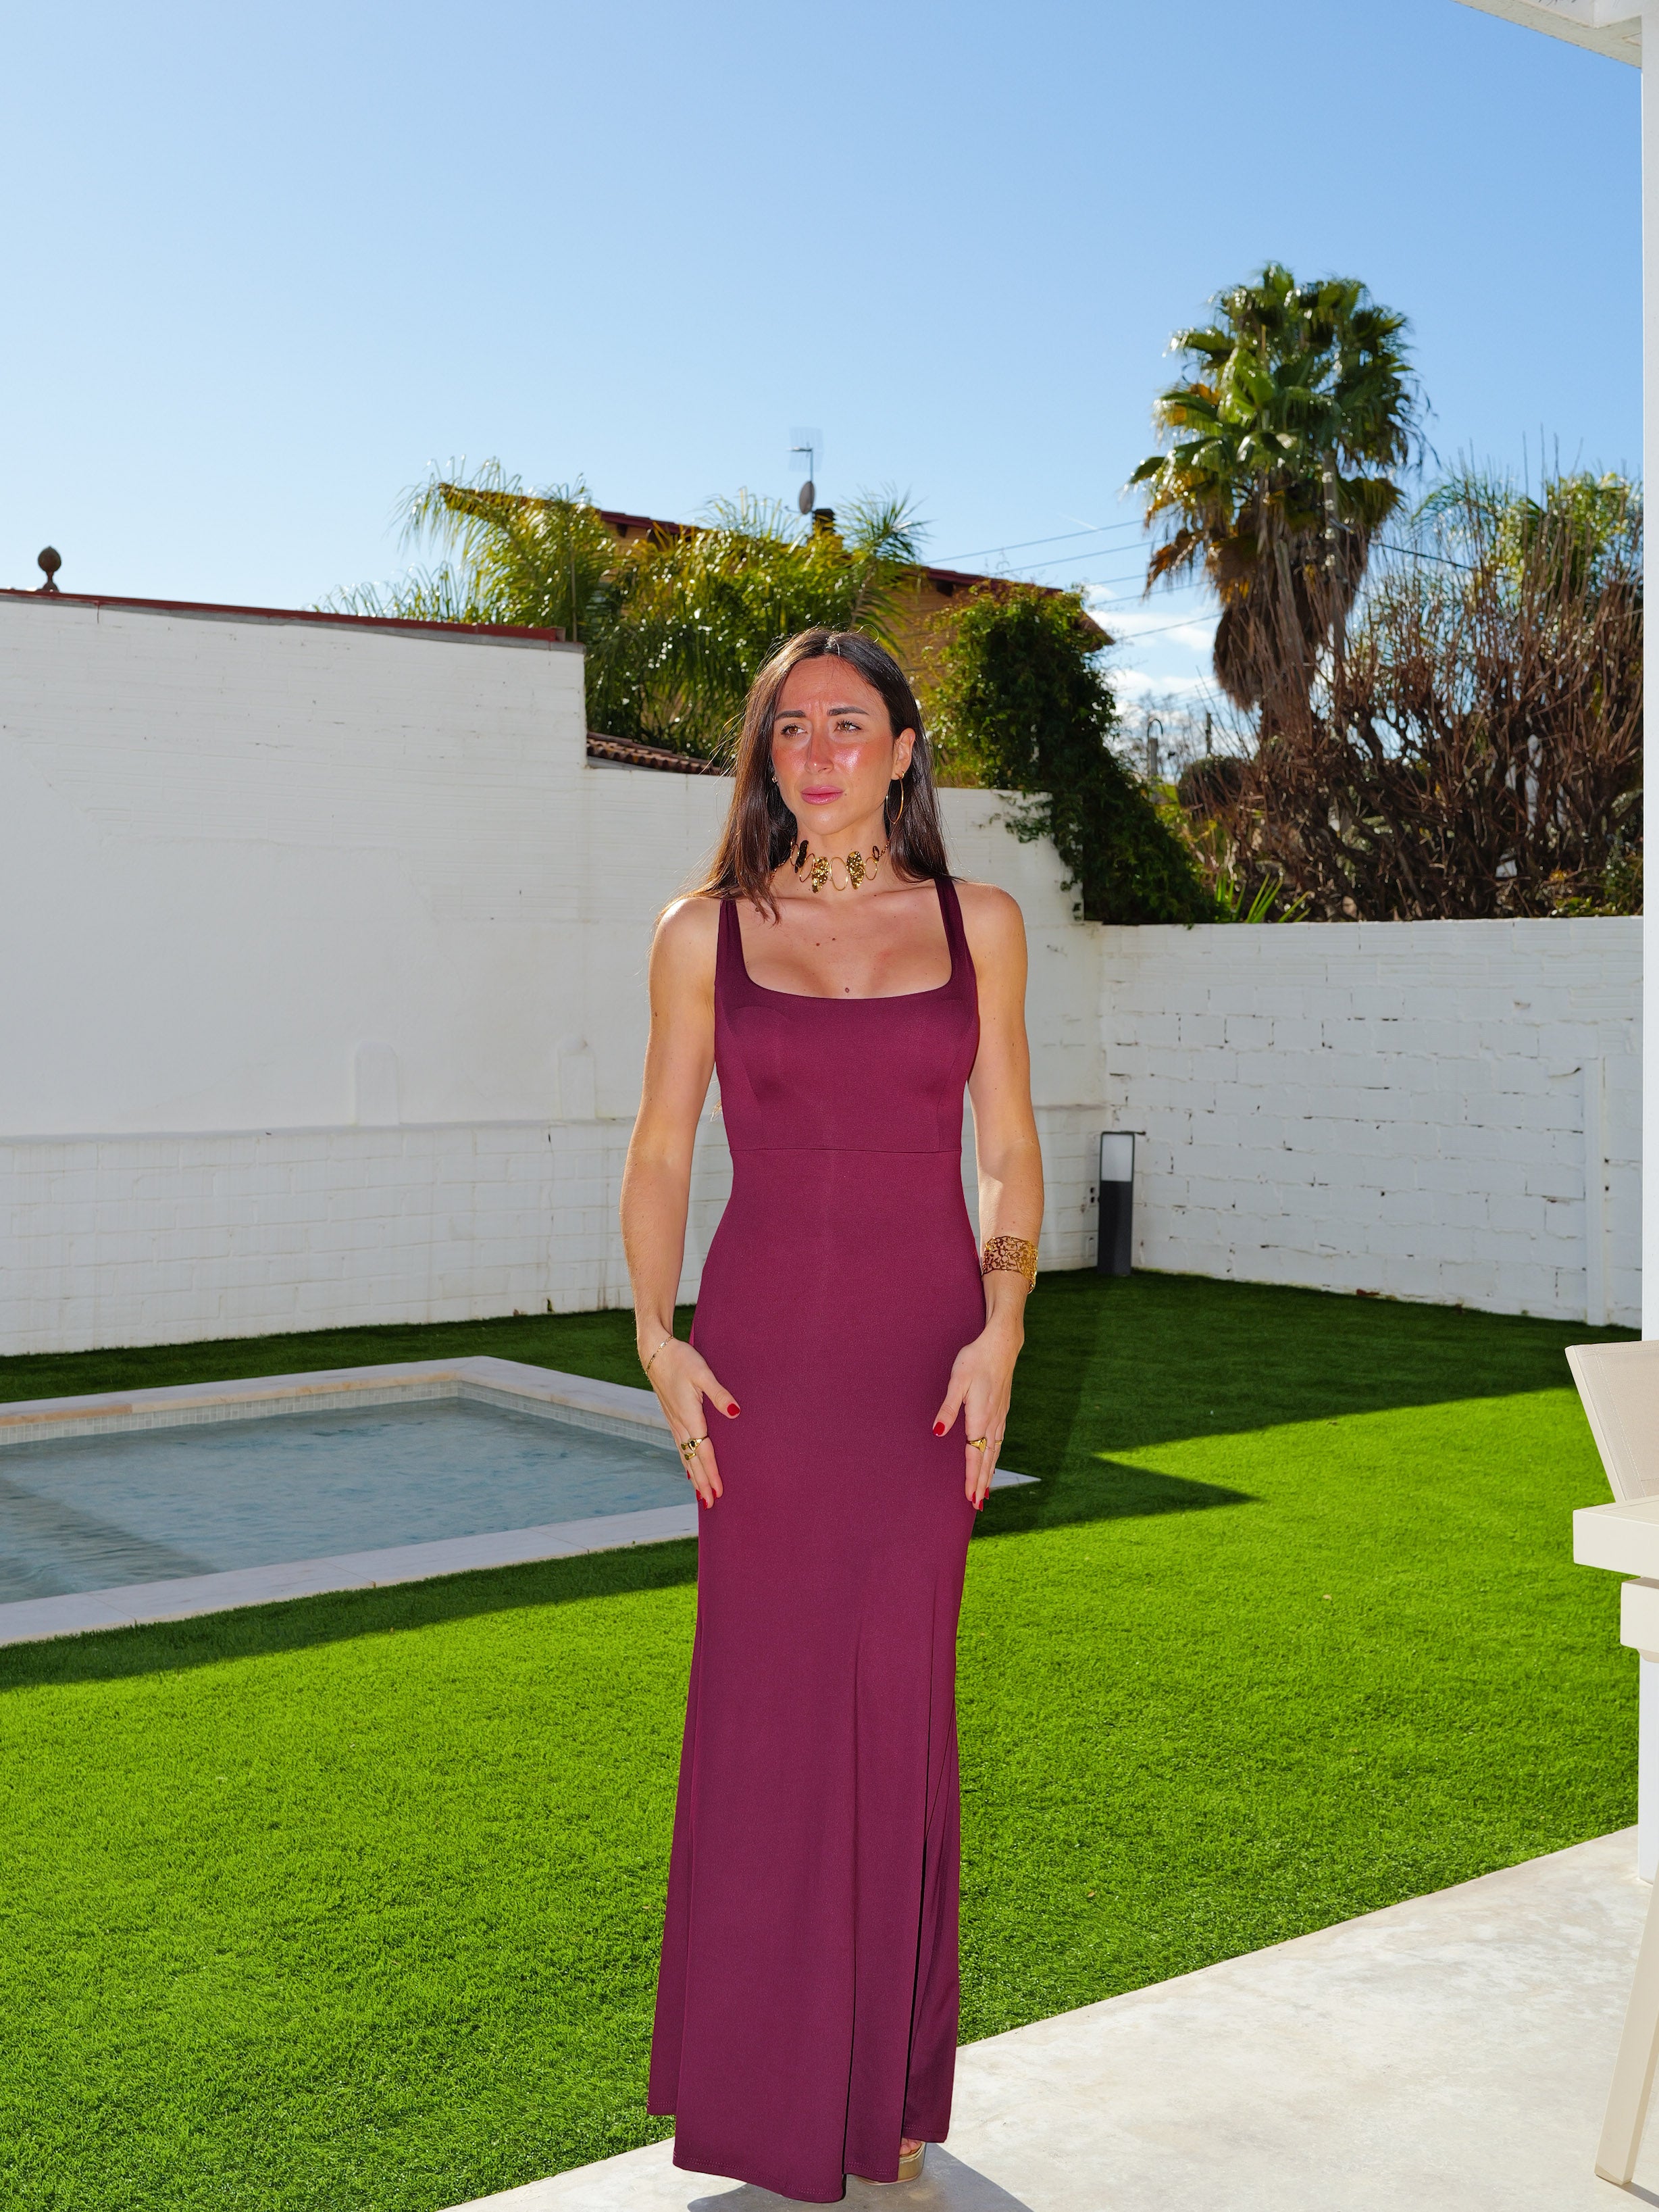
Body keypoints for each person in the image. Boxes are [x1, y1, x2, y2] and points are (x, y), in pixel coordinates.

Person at [620, 627, 1043, 2202]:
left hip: (924, 1364)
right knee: (763, 1714)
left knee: (894, 1717)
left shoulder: (978, 921)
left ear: (906, 745)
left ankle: (884, 2085)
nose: (815, 749)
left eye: (846, 722)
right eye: (788, 726)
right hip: (762, 1377)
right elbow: (663, 1146)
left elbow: (1006, 1145)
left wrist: (1002, 1326)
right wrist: (656, 1334)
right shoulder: (701, 933)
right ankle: (756, 2092)